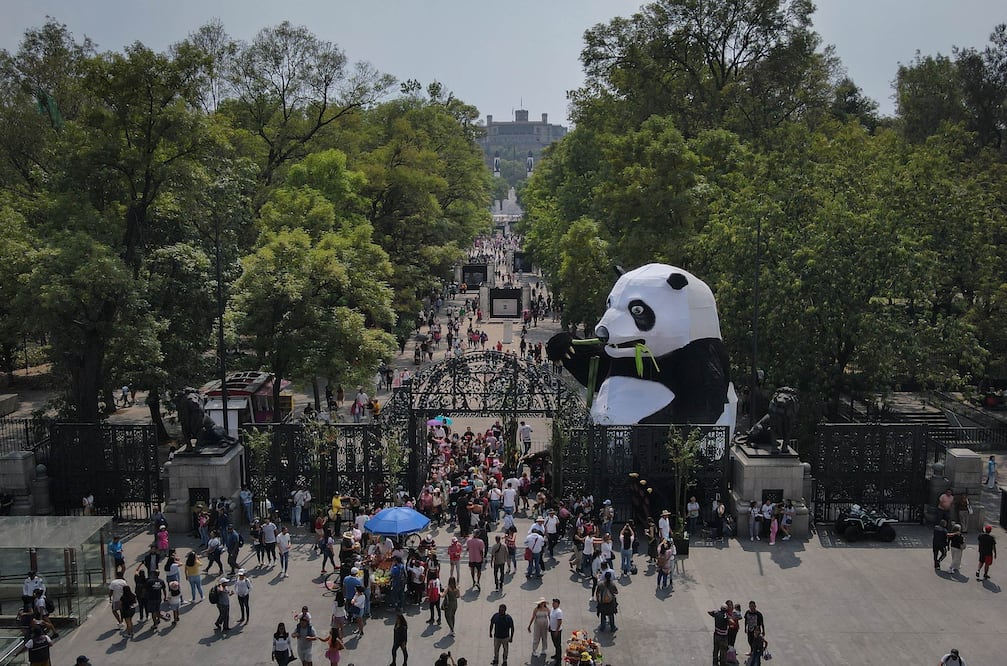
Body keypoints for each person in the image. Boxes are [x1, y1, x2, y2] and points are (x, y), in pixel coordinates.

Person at [548, 598, 564, 664]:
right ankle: (556, 655)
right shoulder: (552, 609)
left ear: (558, 604)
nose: (553, 604)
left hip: (556, 631)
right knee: (555, 643)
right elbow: (551, 618)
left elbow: (559, 622)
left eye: (554, 603)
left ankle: (559, 659)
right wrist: (550, 626)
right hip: (552, 629)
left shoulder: (559, 612)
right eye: (553, 603)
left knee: (558, 645)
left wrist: (557, 631)